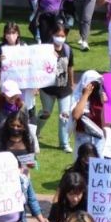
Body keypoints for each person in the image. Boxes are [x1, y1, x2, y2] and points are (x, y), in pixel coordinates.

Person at [0, 111, 50, 222]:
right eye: (13, 125)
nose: (15, 128)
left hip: (20, 195)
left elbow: (31, 196)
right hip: (2, 197)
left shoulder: (28, 141)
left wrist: (41, 219)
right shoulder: (1, 142)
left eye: (19, 125)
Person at [39, 24, 76, 153]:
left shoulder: (67, 49)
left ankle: (64, 143)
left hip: (63, 88)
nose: (60, 38)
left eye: (62, 36)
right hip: (48, 88)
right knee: (46, 113)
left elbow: (70, 67)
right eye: (57, 35)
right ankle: (35, 133)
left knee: (64, 116)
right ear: (52, 35)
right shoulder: (45, 49)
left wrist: (72, 83)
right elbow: (39, 68)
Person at [0, 80, 26, 151]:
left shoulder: (22, 108)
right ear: (3, 94)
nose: (13, 97)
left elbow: (26, 128)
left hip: (18, 147)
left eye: (15, 94)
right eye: (10, 95)